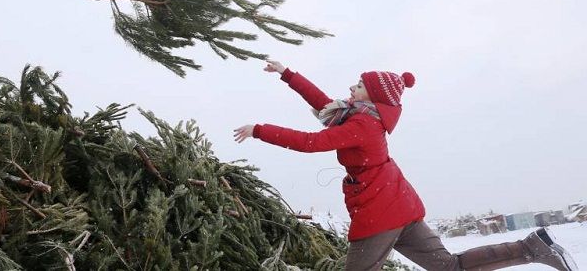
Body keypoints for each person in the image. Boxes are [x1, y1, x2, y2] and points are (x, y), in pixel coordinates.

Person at [233, 60, 578, 271]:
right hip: (397, 204)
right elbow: (322, 103)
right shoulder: (355, 115)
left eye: (359, 84)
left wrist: (260, 130)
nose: (352, 86)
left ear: (371, 95)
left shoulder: (361, 124)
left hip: (379, 209)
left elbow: (312, 143)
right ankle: (531, 247)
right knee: (448, 267)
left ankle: (532, 248)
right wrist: (287, 74)